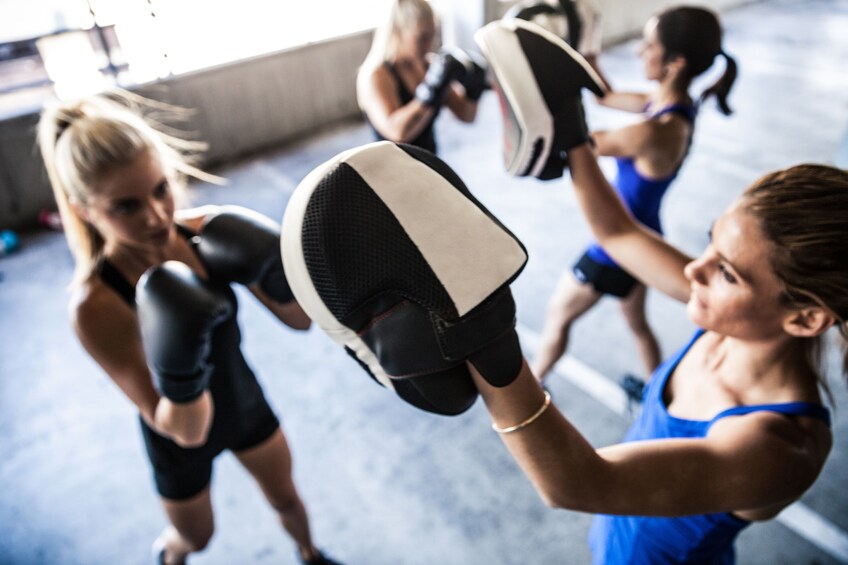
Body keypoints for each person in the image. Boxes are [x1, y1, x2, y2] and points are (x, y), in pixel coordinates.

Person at [469, 18, 847, 561]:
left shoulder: (777, 446)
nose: (694, 270)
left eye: (727, 272)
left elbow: (576, 483)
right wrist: (572, 133)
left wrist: (479, 333)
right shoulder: (732, 321)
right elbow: (618, 232)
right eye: (709, 245)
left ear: (807, 318)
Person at [37, 91, 339, 565]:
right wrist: (179, 357)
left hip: (240, 397)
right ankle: (169, 555)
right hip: (176, 430)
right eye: (127, 207)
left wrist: (277, 268)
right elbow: (184, 429)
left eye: (161, 189)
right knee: (197, 538)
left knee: (286, 497)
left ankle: (310, 554)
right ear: (84, 210)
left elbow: (299, 320)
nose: (156, 216)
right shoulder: (94, 306)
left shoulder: (209, 235)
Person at [531, 6, 738, 387]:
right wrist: (586, 38)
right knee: (638, 325)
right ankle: (654, 388)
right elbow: (603, 95)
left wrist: (549, 89)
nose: (639, 52)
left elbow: (582, 145)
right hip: (647, 238)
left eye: (648, 46)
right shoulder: (670, 105)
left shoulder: (656, 131)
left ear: (675, 62)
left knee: (558, 316)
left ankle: (531, 391)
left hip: (618, 246)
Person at [355, 0, 487, 154]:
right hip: (393, 170)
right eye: (422, 38)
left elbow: (466, 116)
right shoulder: (376, 75)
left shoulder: (429, 65)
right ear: (399, 31)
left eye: (433, 36)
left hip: (429, 163)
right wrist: (431, 89)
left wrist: (474, 89)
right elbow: (397, 133)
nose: (430, 45)